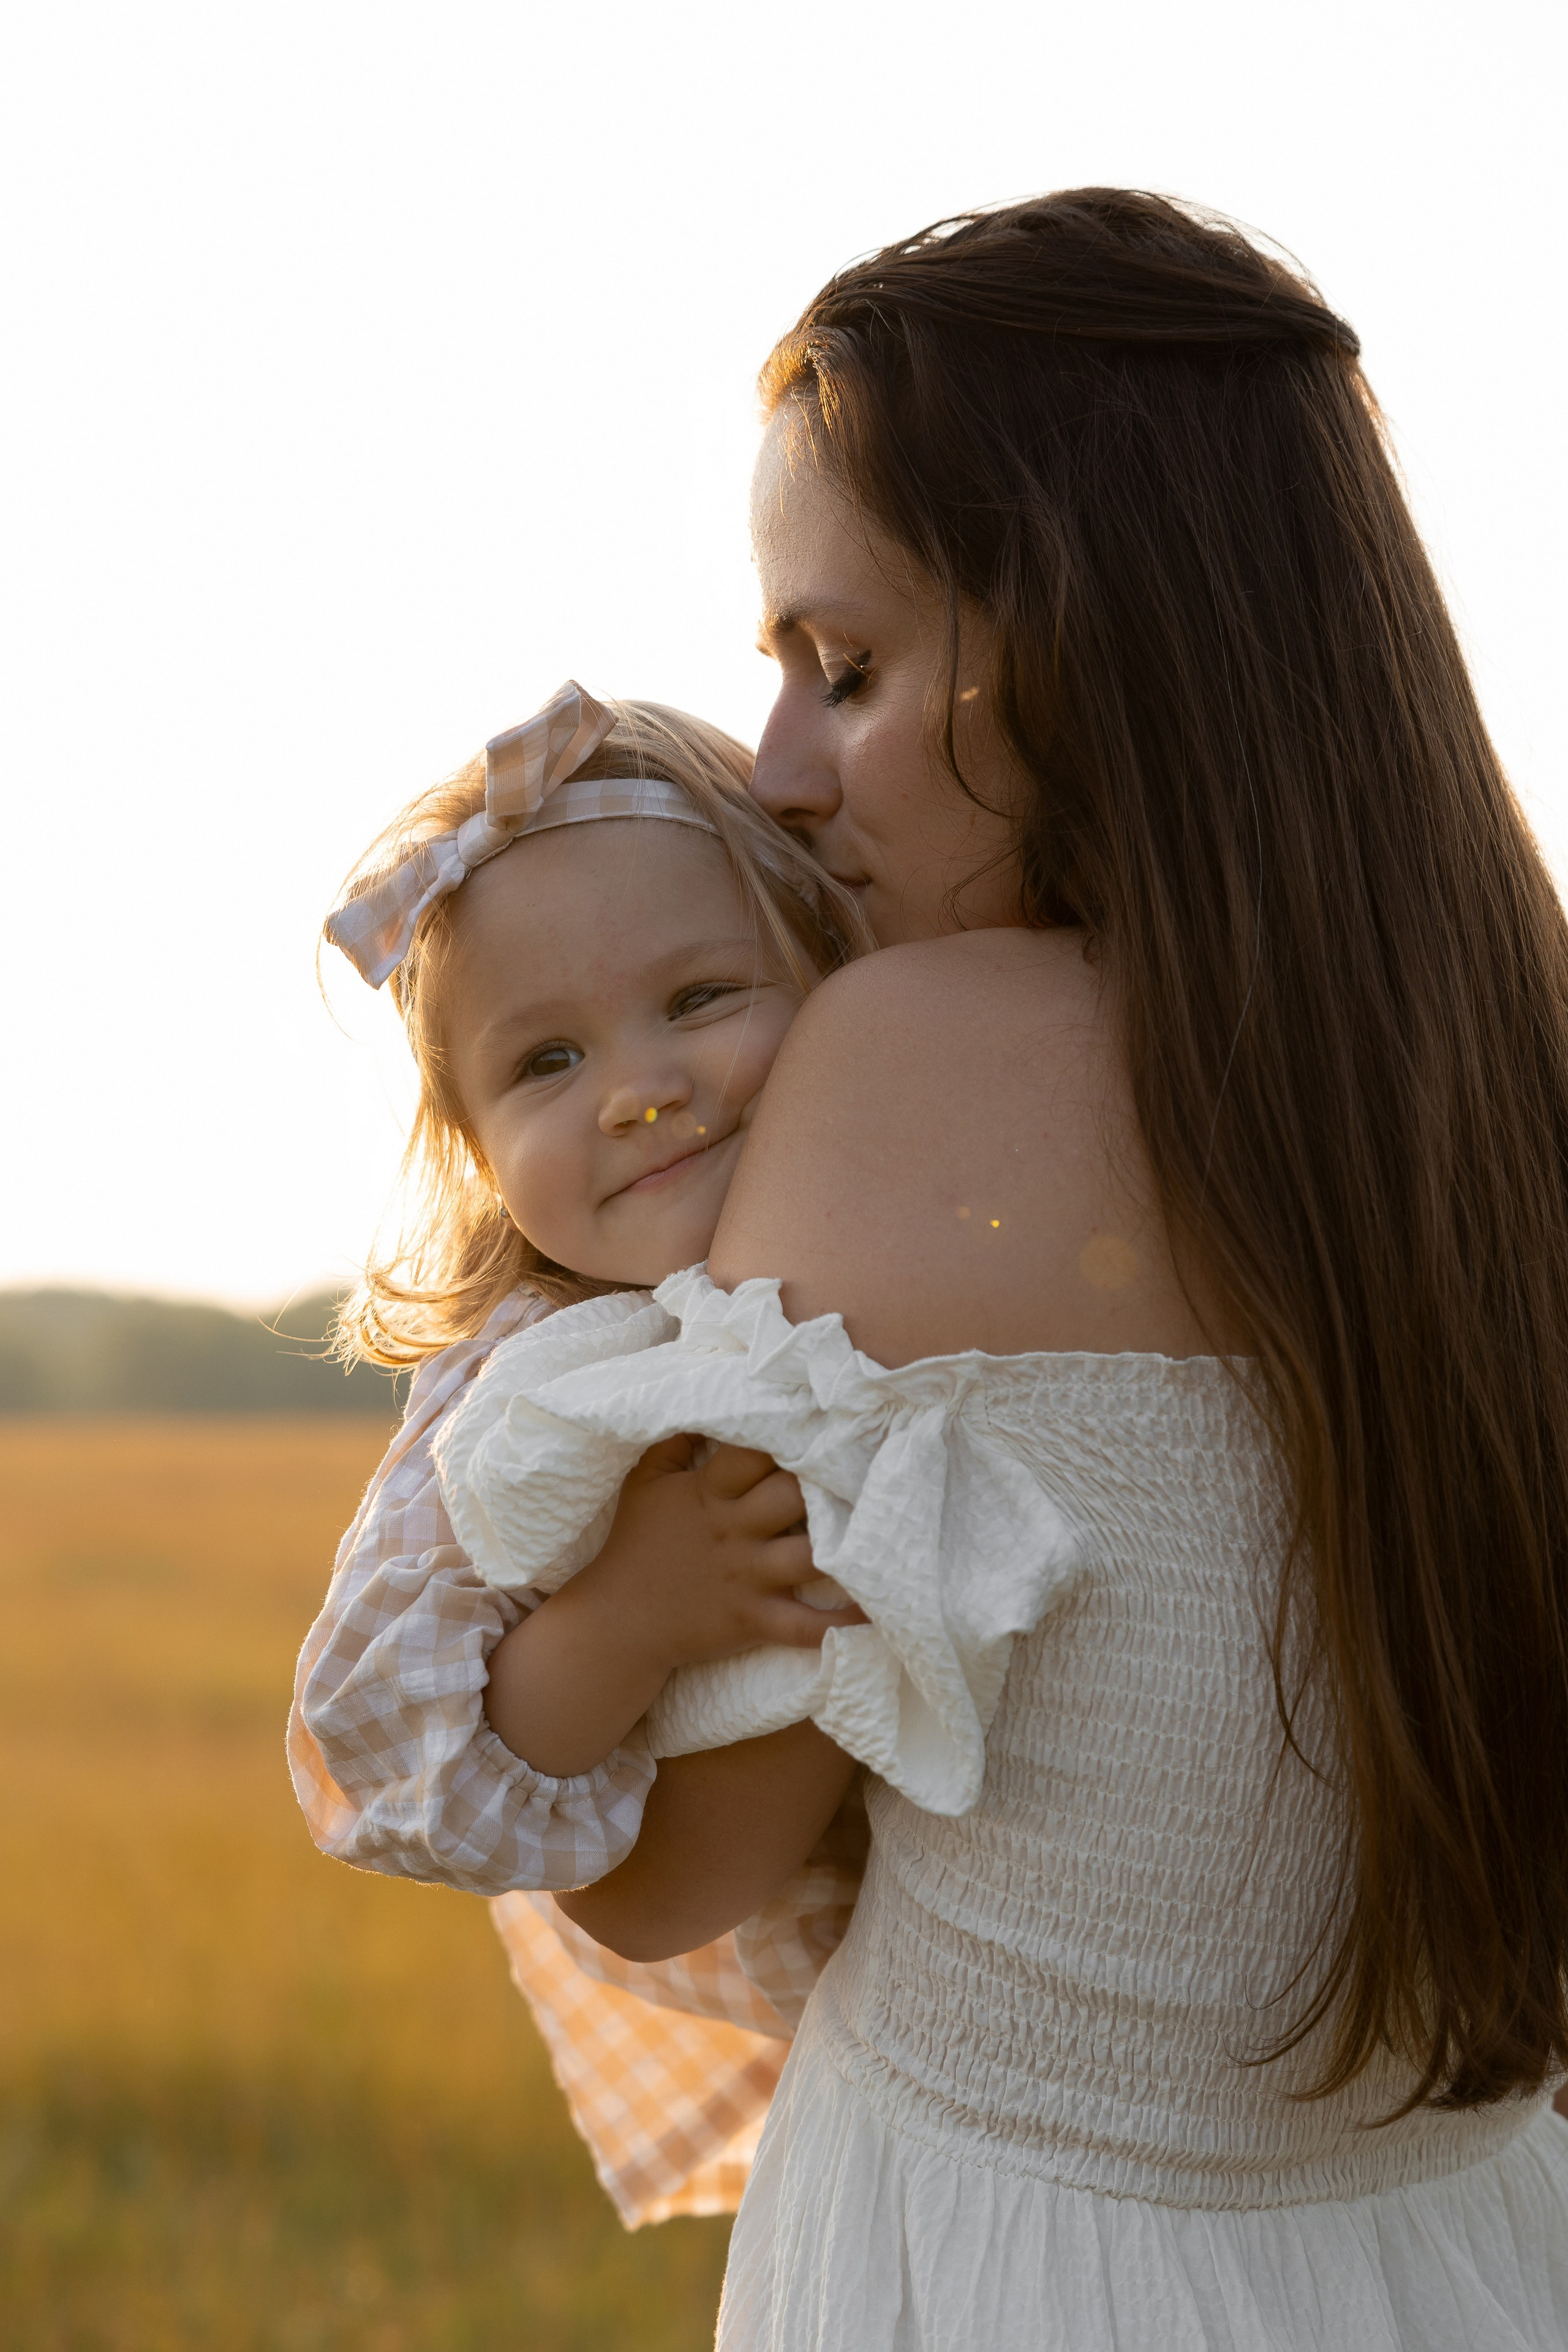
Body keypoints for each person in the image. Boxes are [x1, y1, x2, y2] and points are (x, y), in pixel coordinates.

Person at [546, 192, 1568, 2348]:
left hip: (1010, 2259)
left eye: (852, 669)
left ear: (1097, 639)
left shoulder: (902, 1062)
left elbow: (675, 1880)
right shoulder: (1517, 1082)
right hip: (1474, 2241)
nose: (781, 767)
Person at [289, 684, 873, 2223]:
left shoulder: (919, 1242)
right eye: (543, 1063)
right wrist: (632, 1610)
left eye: (698, 1000)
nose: (636, 1088)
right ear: (473, 1151)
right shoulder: (534, 1386)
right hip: (855, 2027)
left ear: (835, 971)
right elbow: (404, 1737)